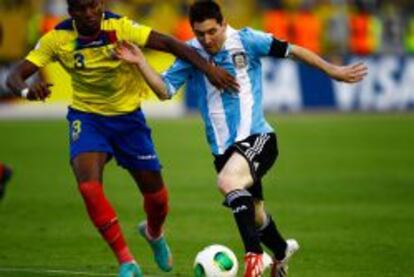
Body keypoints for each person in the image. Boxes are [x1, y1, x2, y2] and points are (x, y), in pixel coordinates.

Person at [114, 1, 368, 276]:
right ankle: (281, 251)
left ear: (223, 23)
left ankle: (254, 257)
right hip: (223, 150)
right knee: (256, 213)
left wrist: (333, 70)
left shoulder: (247, 40)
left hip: (258, 137)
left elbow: (293, 51)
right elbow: (165, 91)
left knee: (227, 182)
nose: (207, 39)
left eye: (212, 31)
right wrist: (141, 62)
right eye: (200, 33)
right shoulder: (191, 54)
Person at [6, 1, 238, 276]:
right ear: (72, 12)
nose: (90, 14)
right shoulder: (56, 39)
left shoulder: (121, 27)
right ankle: (126, 261)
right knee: (89, 188)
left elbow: (172, 44)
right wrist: (26, 92)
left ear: (101, 4)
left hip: (128, 121)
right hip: (87, 117)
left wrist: (209, 69)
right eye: (82, 9)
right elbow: (14, 76)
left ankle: (153, 233)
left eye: (94, 6)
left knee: (158, 199)